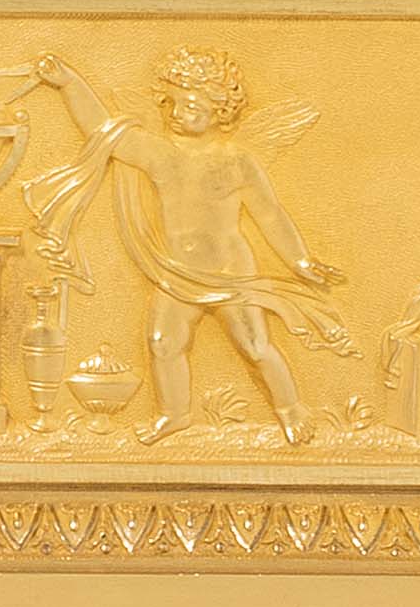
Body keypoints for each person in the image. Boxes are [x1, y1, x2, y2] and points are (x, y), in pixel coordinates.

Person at [28, 48, 347, 442]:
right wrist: (69, 83)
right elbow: (102, 129)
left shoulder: (237, 162)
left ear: (220, 112)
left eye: (191, 106)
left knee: (255, 346)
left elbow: (271, 215)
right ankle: (174, 414)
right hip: (176, 273)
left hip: (230, 273)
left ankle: (290, 408)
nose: (177, 113)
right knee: (163, 343)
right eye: (172, 103)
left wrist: (299, 260)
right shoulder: (160, 153)